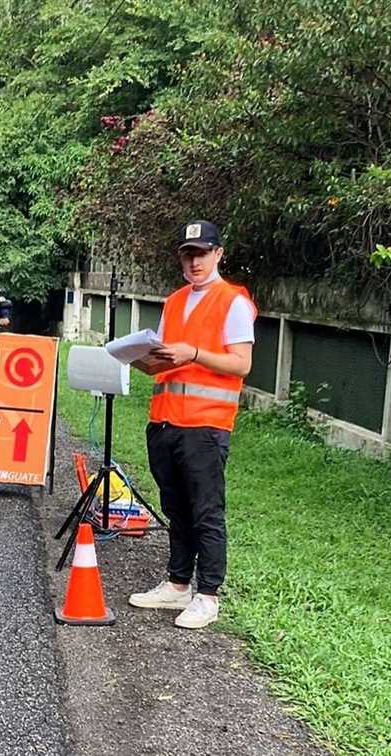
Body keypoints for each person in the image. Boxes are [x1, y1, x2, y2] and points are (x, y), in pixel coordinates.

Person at [128, 220, 257, 629]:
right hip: (165, 423)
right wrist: (144, 360)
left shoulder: (232, 301)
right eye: (188, 254)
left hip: (205, 426)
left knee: (206, 511)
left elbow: (242, 363)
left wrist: (196, 352)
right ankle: (178, 583)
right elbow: (168, 358)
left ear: (219, 254)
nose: (195, 261)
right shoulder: (174, 301)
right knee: (176, 508)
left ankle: (208, 595)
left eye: (202, 253)